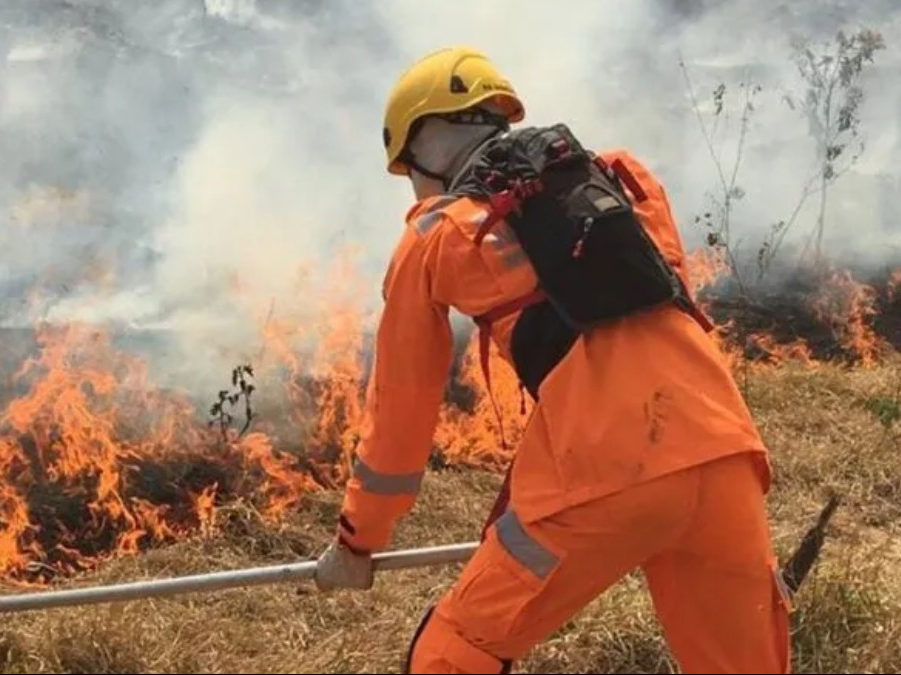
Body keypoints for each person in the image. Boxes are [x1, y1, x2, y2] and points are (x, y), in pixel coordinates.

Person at [313, 45, 793, 674]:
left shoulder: (437, 234)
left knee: (455, 652)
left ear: (426, 146)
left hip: (602, 478)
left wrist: (357, 541)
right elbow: (654, 317)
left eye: (409, 170)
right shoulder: (618, 180)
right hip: (724, 450)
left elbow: (401, 417)